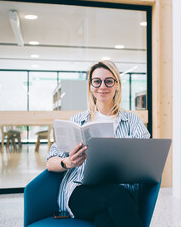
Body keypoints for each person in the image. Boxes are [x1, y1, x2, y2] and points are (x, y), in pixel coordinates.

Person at [46, 60, 150, 227]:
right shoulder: (77, 121)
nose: (103, 86)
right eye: (97, 81)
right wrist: (68, 162)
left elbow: (147, 160)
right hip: (81, 192)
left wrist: (121, 151)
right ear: (90, 86)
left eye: (109, 81)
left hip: (122, 190)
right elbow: (50, 163)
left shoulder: (133, 122)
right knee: (116, 196)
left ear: (117, 85)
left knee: (104, 219)